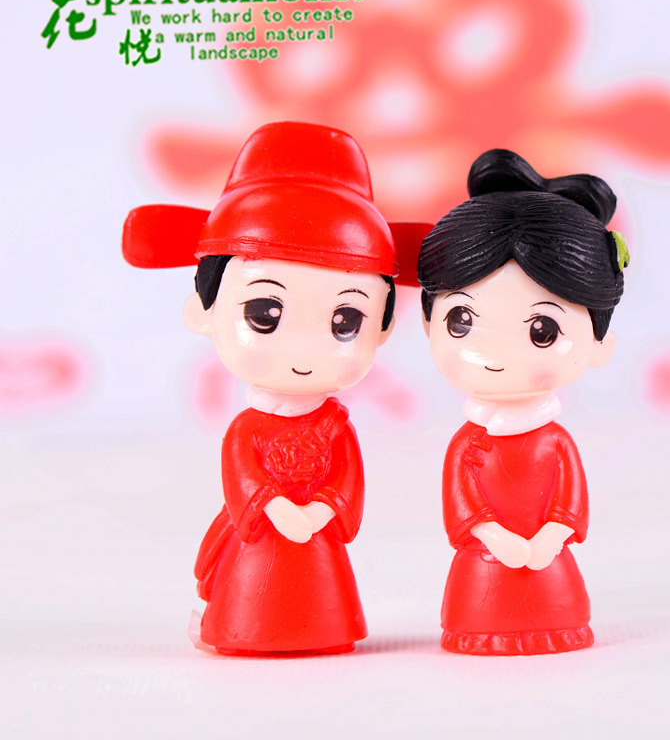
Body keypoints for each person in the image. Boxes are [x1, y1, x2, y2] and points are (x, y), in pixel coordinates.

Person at [123, 122, 426, 655]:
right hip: (264, 533)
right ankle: (244, 625)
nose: (304, 350)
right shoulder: (248, 429)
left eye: (345, 320)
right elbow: (243, 478)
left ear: (382, 329)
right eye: (265, 312)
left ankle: (320, 628)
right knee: (253, 591)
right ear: (204, 311)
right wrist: (276, 509)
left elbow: (347, 480)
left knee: (318, 596)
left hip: (316, 536)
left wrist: (323, 511)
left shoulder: (336, 427)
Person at [417, 148, 628, 655]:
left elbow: (569, 501)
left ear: (599, 343)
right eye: (462, 321)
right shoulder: (468, 443)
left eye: (542, 330)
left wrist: (550, 537)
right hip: (484, 569)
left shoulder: (554, 442)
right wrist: (495, 537)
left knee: (555, 612)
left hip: (548, 566)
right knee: (480, 613)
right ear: (428, 325)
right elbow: (461, 505)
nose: (495, 355)